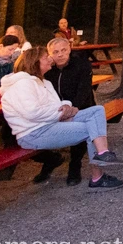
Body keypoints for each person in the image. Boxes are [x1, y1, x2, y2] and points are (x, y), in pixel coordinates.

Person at [1, 46, 123, 191]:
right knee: (92, 130)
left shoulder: (43, 82)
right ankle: (98, 178)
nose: (50, 59)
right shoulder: (22, 84)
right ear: (35, 62)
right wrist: (61, 114)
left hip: (49, 124)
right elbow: (32, 112)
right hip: (33, 133)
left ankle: (103, 153)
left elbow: (55, 104)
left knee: (97, 111)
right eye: (46, 57)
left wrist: (66, 105)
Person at [44, 37, 97, 185]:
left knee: (80, 126)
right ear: (49, 54)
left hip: (80, 106)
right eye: (55, 52)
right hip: (55, 109)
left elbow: (84, 90)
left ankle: (75, 165)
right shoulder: (47, 70)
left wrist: (74, 108)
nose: (60, 54)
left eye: (63, 50)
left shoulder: (82, 65)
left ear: (69, 50)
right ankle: (49, 160)